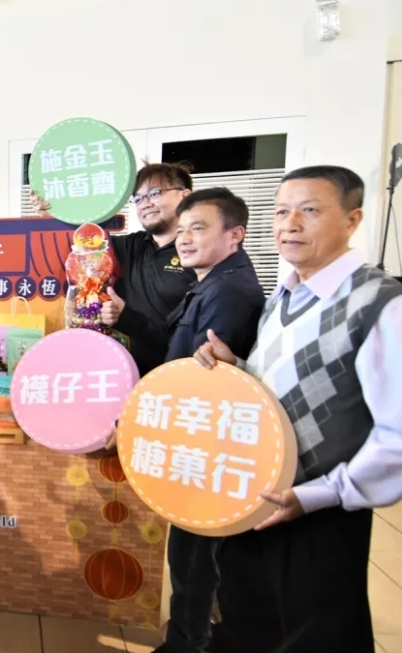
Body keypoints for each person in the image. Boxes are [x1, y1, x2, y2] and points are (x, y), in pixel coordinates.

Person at [194, 166, 402, 653]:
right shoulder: (284, 295)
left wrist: (318, 496)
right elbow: (287, 386)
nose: (290, 224)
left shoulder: (380, 303)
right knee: (247, 619)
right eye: (281, 211)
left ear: (352, 220)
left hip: (321, 508)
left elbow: (396, 433)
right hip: (261, 492)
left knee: (317, 632)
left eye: (309, 210)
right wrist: (237, 366)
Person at [114, 188, 265, 653]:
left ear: (235, 235)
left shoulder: (230, 291)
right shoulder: (214, 282)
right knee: (195, 554)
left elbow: (207, 381)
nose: (184, 239)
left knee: (198, 555)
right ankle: (196, 633)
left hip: (205, 443)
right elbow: (176, 344)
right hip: (197, 438)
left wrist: (141, 421)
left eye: (198, 228)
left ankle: (188, 643)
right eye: (182, 230)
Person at [35, 162, 197, 376]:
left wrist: (125, 316)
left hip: (182, 376)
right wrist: (53, 211)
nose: (145, 204)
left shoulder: (199, 252)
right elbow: (82, 241)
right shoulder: (132, 246)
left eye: (155, 193)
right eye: (138, 198)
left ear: (185, 196)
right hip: (129, 374)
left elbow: (193, 334)